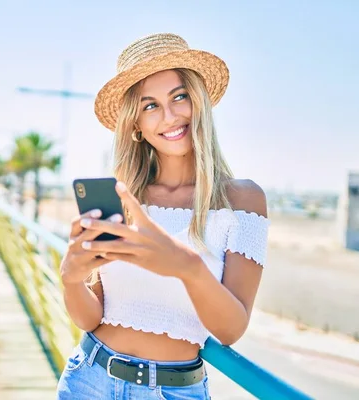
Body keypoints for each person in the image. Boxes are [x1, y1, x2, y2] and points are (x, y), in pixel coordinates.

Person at [56, 32, 270, 400]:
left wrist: (185, 266)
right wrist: (71, 280)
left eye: (179, 97)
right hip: (87, 380)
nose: (170, 116)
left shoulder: (243, 201)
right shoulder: (124, 198)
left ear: (198, 100)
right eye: (150, 106)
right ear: (135, 125)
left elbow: (231, 330)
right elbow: (91, 319)